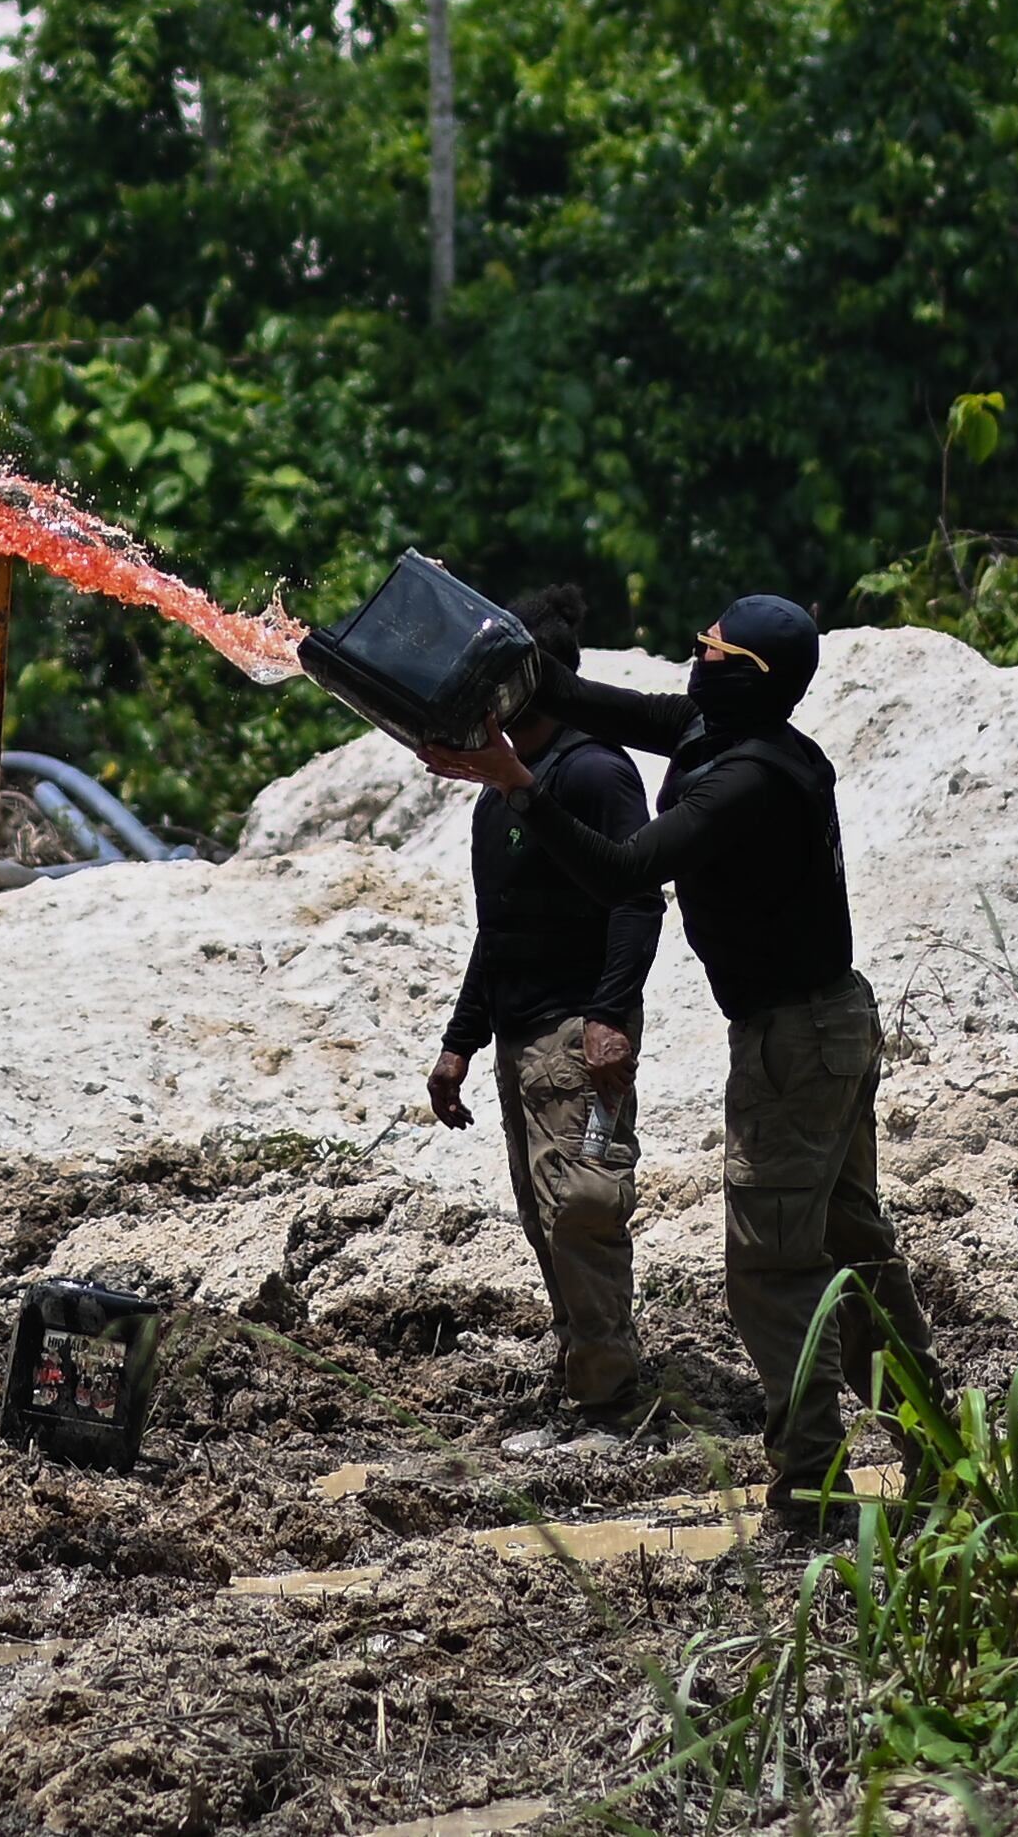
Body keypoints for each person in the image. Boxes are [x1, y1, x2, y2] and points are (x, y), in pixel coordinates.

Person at [421, 593, 934, 1529]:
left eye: (715, 651)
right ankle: (941, 1456)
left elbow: (625, 871)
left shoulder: (751, 777)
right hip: (818, 1031)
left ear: (754, 679)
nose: (697, 658)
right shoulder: (720, 731)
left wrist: (520, 785)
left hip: (795, 1040)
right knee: (853, 1250)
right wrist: (494, 651)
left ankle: (812, 1494)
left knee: (772, 1271)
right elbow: (592, 700)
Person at [424, 585, 663, 1418]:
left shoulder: (595, 772)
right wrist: (459, 1042)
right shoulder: (497, 798)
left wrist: (609, 1016)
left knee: (582, 1210)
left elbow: (638, 899)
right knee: (543, 1216)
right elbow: (497, 929)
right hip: (519, 1038)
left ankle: (611, 1400)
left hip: (578, 1030)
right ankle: (586, 1375)